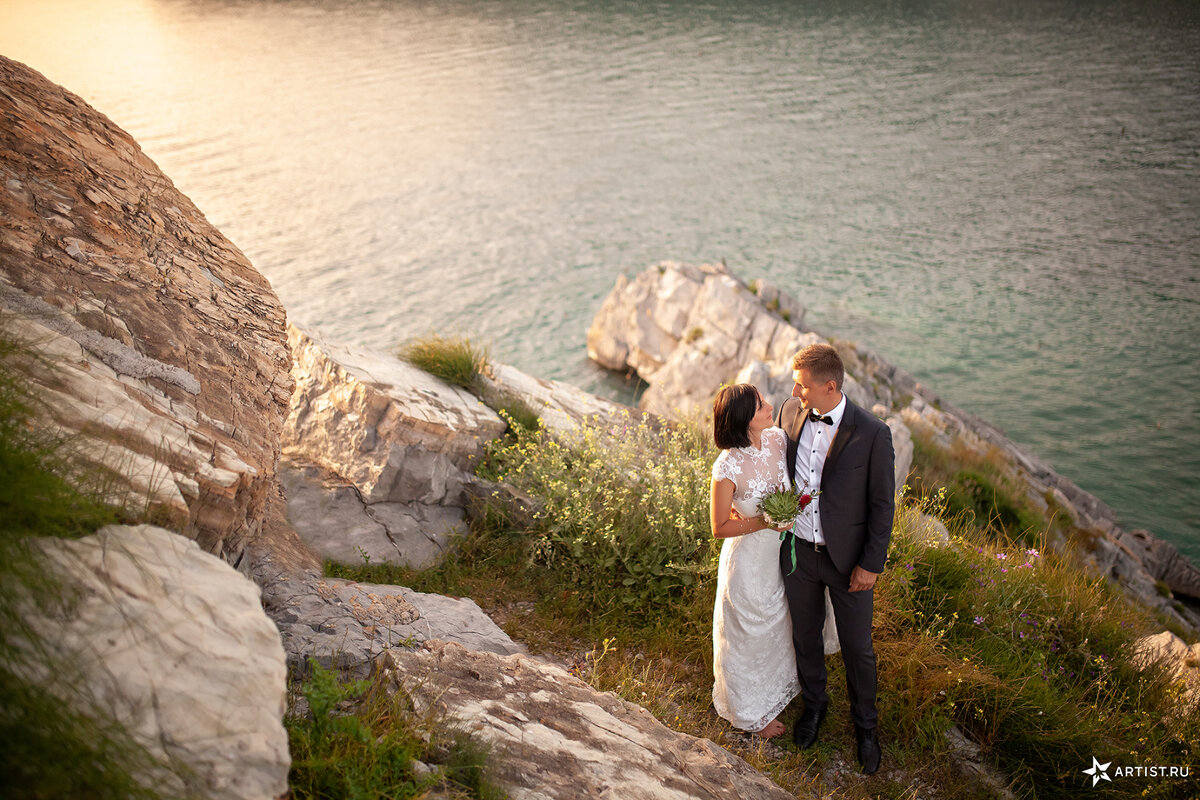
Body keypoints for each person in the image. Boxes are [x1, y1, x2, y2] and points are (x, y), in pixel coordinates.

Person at [775, 343, 894, 775]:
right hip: (800, 554)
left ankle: (866, 727)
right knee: (805, 636)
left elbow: (883, 506)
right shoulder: (790, 411)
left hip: (849, 564)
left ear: (829, 386)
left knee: (858, 649)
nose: (794, 390)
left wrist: (871, 564)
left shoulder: (873, 432)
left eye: (802, 384)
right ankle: (815, 708)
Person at [709, 383, 838, 739]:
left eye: (764, 400)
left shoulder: (778, 440)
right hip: (747, 562)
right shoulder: (727, 466)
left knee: (776, 624)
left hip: (780, 556)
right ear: (742, 421)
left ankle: (775, 690)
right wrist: (764, 521)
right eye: (760, 405)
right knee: (748, 630)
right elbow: (719, 526)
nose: (770, 406)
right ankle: (750, 712)